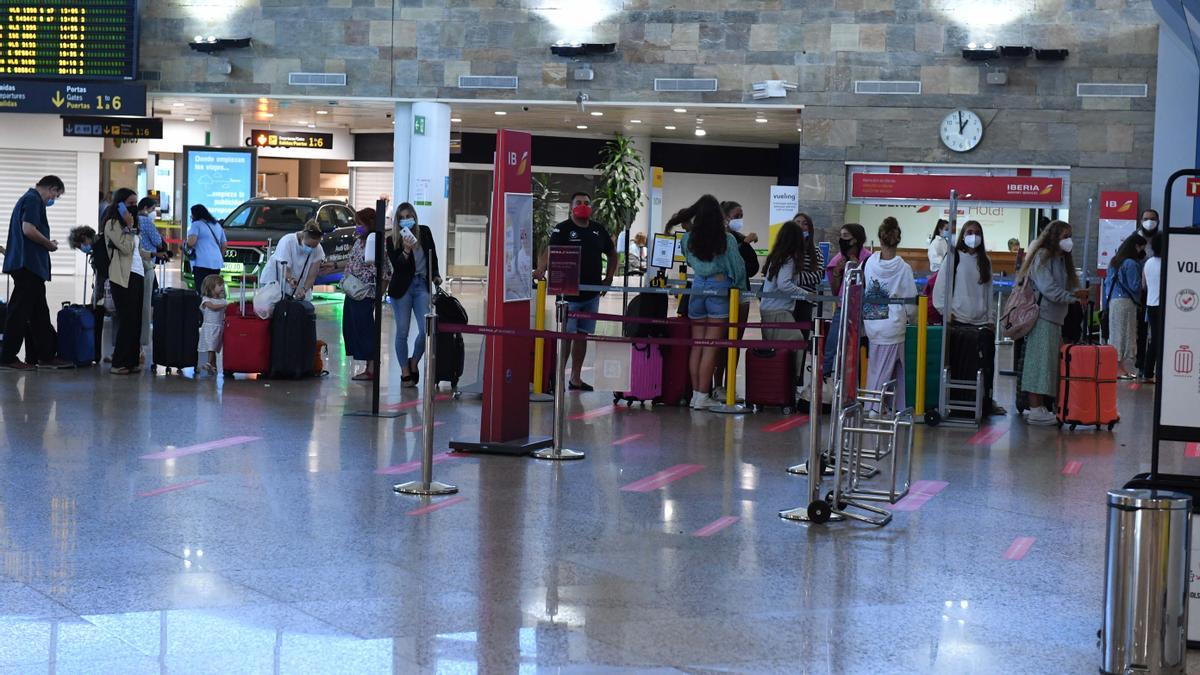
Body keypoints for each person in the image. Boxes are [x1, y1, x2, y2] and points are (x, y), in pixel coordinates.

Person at [533, 192, 615, 392]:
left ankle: (576, 378)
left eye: (587, 203)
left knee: (582, 336)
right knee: (566, 337)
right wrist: (541, 268)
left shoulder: (598, 230)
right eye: (579, 203)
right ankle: (559, 379)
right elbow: (550, 251)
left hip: (591, 295)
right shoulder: (562, 229)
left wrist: (609, 277)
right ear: (571, 207)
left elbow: (612, 254)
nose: (583, 206)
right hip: (568, 294)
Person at [676, 195, 747, 409]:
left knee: (698, 345)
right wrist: (738, 286)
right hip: (719, 291)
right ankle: (703, 395)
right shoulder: (727, 239)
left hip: (696, 288)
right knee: (711, 347)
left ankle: (696, 397)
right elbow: (737, 268)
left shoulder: (688, 238)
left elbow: (688, 259)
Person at [0, 175, 73, 370]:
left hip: (29, 266)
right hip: (27, 266)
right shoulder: (33, 199)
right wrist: (49, 244)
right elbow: (28, 230)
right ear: (51, 188)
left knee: (39, 312)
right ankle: (7, 357)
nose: (53, 200)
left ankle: (46, 355)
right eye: (55, 196)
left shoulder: (29, 199)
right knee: (19, 312)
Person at [932, 220, 1004, 414]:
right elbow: (940, 289)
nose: (974, 236)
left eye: (977, 232)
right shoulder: (953, 257)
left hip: (980, 324)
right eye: (970, 232)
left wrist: (990, 318)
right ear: (963, 235)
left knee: (983, 365)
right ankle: (958, 403)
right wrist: (945, 313)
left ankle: (983, 402)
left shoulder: (985, 261)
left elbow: (988, 292)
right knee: (959, 365)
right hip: (958, 321)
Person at [1018, 220, 1084, 425]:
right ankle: (1036, 408)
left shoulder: (1061, 259)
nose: (1068, 241)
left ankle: (1040, 407)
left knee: (1046, 365)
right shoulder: (1042, 257)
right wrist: (1074, 297)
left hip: (1055, 318)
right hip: (1042, 317)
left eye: (1070, 236)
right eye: (1065, 236)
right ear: (1054, 237)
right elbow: (1049, 290)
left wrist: (1074, 295)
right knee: (1038, 365)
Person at [863, 218, 918, 414]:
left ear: (880, 238)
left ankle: (878, 405)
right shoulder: (903, 269)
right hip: (893, 326)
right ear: (898, 239)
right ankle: (877, 406)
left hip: (873, 321)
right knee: (892, 369)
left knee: (876, 367)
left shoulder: (869, 263)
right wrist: (913, 319)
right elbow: (911, 301)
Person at [760, 220, 824, 383]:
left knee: (777, 350)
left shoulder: (778, 255)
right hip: (778, 312)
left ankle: (778, 384)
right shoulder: (789, 258)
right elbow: (784, 284)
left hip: (769, 310)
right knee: (796, 343)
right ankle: (790, 382)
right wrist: (806, 294)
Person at [385, 203, 441, 388]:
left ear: (414, 216)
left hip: (421, 285)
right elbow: (399, 267)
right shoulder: (392, 239)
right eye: (401, 217)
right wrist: (407, 250)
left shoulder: (424, 232)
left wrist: (436, 275)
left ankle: (414, 362)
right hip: (402, 288)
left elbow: (432, 256)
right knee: (402, 331)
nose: (406, 219)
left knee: (426, 329)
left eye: (409, 215)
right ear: (397, 221)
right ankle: (404, 371)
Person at [711, 201, 761, 399]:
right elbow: (729, 264)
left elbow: (751, 267)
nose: (740, 219)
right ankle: (717, 385)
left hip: (742, 295)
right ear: (725, 217)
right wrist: (744, 244)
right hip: (724, 295)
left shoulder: (739, 238)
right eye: (737, 215)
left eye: (742, 214)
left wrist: (745, 244)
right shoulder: (721, 240)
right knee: (722, 340)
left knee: (736, 341)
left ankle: (730, 384)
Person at [103, 188, 151, 375]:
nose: (134, 207)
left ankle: (131, 361)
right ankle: (119, 362)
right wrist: (130, 228)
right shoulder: (112, 224)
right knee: (126, 319)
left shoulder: (131, 225)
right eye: (130, 204)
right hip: (122, 277)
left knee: (136, 319)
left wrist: (155, 254)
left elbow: (137, 251)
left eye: (135, 203)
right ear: (120, 204)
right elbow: (124, 248)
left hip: (137, 274)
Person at [343, 208, 389, 381]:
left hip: (365, 293)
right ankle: (367, 366)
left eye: (360, 224)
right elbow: (352, 262)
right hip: (352, 290)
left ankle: (371, 367)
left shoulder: (376, 244)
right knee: (353, 328)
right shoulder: (359, 242)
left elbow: (384, 272)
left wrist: (378, 296)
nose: (357, 227)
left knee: (366, 330)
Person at [823, 223, 871, 377]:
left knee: (857, 346)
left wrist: (859, 269)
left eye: (845, 236)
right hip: (842, 307)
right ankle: (826, 378)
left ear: (855, 240)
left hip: (861, 310)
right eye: (841, 235)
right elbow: (836, 290)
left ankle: (854, 378)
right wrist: (837, 272)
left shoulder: (868, 259)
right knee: (832, 343)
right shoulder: (839, 259)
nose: (841, 239)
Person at [1103, 232, 1146, 379]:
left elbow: (1107, 284)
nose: (1142, 251)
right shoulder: (1131, 264)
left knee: (1116, 335)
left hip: (1114, 302)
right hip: (1126, 303)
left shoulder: (1114, 261)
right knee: (1125, 334)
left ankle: (1118, 367)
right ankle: (1119, 369)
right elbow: (1135, 286)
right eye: (1141, 247)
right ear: (1136, 247)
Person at [262, 220, 327, 301]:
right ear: (302, 237)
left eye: (314, 246)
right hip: (275, 283)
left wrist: (304, 289)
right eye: (308, 245)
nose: (311, 248)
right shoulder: (287, 241)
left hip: (297, 286)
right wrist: (290, 279)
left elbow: (312, 275)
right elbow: (284, 268)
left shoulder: (318, 249)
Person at [1134, 209, 1158, 378]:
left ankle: (1150, 363)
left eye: (1152, 219)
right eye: (1146, 219)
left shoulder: (1161, 238)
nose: (1149, 222)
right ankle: (1141, 362)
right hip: (1140, 291)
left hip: (1156, 289)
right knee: (1141, 330)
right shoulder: (1134, 238)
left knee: (1155, 331)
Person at [187, 204, 226, 294]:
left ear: (195, 215)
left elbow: (191, 242)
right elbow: (224, 245)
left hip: (202, 263)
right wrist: (220, 257)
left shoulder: (196, 225)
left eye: (192, 214)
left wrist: (185, 244)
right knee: (213, 290)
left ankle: (204, 307)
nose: (191, 217)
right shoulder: (217, 225)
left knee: (203, 290)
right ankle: (213, 307)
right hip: (216, 263)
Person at [197, 274, 228, 378]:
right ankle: (209, 363)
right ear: (211, 287)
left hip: (218, 327)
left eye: (223, 285)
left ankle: (213, 366)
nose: (222, 287)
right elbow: (213, 307)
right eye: (220, 285)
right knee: (211, 345)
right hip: (209, 327)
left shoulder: (222, 300)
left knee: (213, 346)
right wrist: (224, 305)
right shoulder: (206, 300)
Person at [1142, 234, 1162, 384]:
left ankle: (1148, 371)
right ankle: (1153, 371)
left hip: (1151, 304)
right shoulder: (1167, 263)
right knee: (1159, 339)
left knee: (1154, 339)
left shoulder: (1148, 262)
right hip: (1162, 305)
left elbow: (1144, 285)